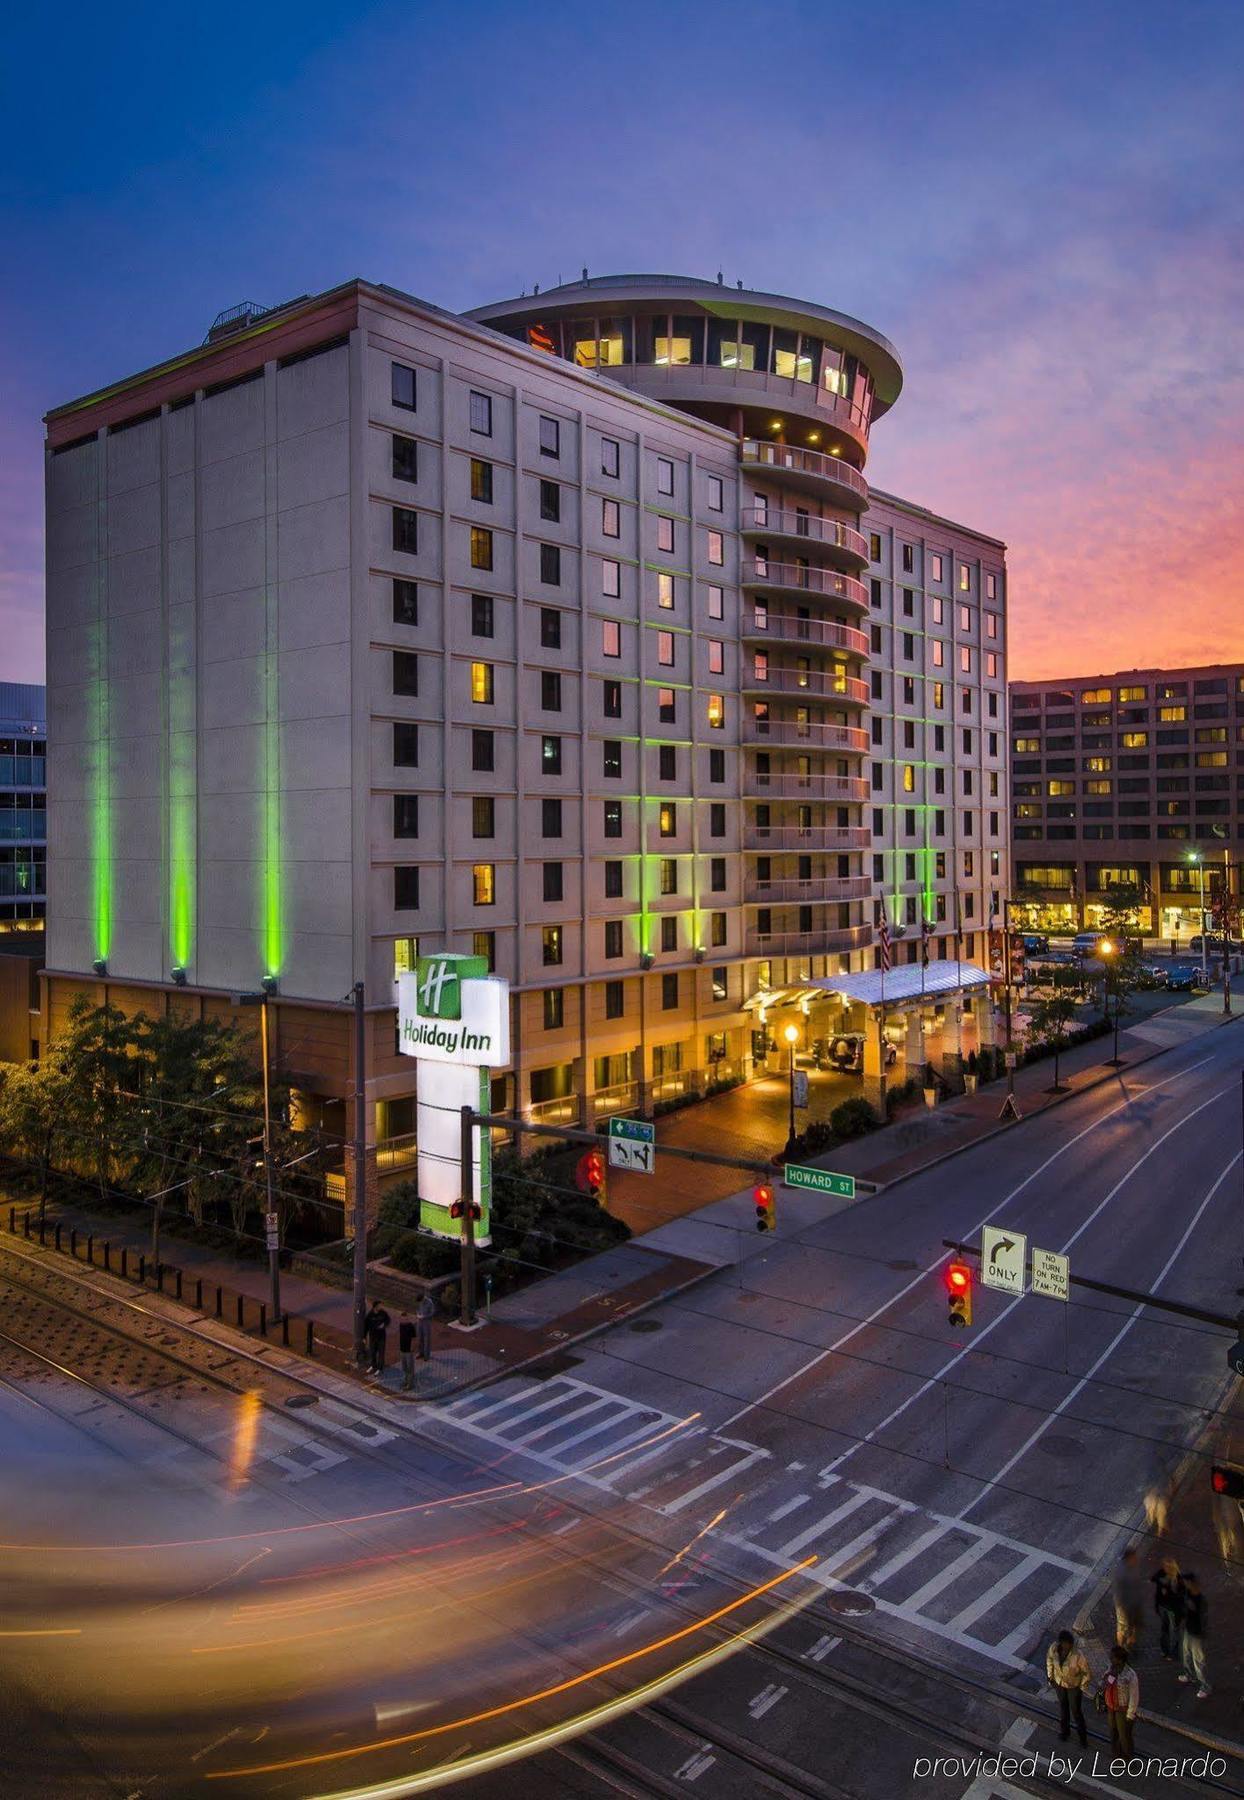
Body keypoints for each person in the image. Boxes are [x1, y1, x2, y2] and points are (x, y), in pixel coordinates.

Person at [1046, 1630, 1091, 1746]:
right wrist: (1050, 1676)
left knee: (1076, 1712)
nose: (1069, 1646)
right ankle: (1065, 1732)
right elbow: (1049, 1660)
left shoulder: (1078, 1655)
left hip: (1073, 1687)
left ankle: (1083, 1738)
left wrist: (1081, 1686)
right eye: (1066, 1644)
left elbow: (1087, 1673)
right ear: (1061, 1643)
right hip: (1059, 1684)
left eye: (1070, 1644)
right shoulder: (1054, 1649)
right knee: (1063, 1709)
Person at [1176, 1572, 1210, 1698]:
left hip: (1196, 1633)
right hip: (1188, 1629)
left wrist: (1202, 1632)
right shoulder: (1187, 1594)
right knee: (1185, 1654)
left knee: (1198, 1660)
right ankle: (1189, 1675)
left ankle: (1205, 1686)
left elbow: (1203, 1618)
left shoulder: (1200, 1600)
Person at [1102, 1645, 1139, 1757]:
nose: (1111, 1659)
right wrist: (1110, 1675)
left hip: (1123, 1709)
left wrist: (1130, 1714)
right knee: (1113, 1732)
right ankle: (1116, 1754)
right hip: (1111, 1706)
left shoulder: (1130, 1674)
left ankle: (1128, 1756)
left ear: (1120, 1659)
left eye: (1113, 1657)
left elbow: (1134, 1695)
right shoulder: (1112, 1669)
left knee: (1124, 1736)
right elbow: (1106, 1684)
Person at [1151, 1558, 1183, 1660]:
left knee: (1173, 1632)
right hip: (1163, 1607)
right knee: (1165, 1630)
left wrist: (1167, 1591)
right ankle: (1166, 1651)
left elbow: (1179, 1597)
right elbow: (1154, 1578)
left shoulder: (1177, 1580)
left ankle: (1174, 1652)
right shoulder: (1162, 1575)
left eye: (1167, 1566)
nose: (1164, 1568)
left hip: (1173, 1610)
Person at [1113, 1547, 1144, 1650]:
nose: (1136, 1559)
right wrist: (1123, 1608)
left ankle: (1130, 1640)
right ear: (1129, 1558)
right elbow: (1120, 1593)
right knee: (1122, 1627)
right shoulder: (1122, 1572)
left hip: (1134, 1602)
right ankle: (1120, 1648)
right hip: (1125, 1606)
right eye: (1134, 1557)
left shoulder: (1134, 1566)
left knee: (1135, 1623)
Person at [364, 1300, 391, 1376]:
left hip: (381, 1336)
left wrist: (384, 1324)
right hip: (373, 1336)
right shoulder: (370, 1315)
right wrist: (364, 1337)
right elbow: (366, 1326)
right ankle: (373, 1366)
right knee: (372, 1352)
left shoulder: (383, 1313)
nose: (381, 1307)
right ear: (375, 1307)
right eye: (379, 1305)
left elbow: (388, 1320)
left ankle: (380, 1368)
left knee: (381, 1353)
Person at [397, 1313, 416, 1390]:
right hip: (402, 1350)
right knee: (404, 1367)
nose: (404, 1320)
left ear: (408, 1319)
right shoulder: (401, 1325)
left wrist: (412, 1348)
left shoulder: (411, 1326)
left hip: (409, 1351)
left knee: (409, 1368)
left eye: (405, 1319)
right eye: (402, 1319)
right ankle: (406, 1380)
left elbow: (414, 1338)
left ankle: (410, 1384)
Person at [417, 1291, 436, 1361]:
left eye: (421, 1301)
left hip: (426, 1322)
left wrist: (425, 1316)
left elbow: (432, 1312)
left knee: (426, 1339)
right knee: (419, 1338)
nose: (420, 1302)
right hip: (419, 1321)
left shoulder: (429, 1302)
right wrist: (418, 1314)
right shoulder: (419, 1302)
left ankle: (426, 1355)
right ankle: (420, 1353)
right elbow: (418, 1309)